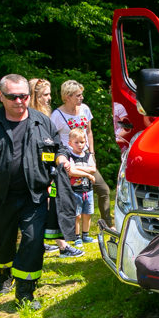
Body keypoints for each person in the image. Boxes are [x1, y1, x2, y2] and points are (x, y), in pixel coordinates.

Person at [0, 74, 70, 309]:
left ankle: (25, 292)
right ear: (1, 96)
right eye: (13, 97)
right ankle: (3, 276)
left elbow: (59, 147)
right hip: (0, 197)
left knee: (33, 241)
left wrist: (62, 160)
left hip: (35, 196)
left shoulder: (42, 122)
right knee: (2, 244)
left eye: (24, 96)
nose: (19, 101)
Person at [28, 78, 84, 259]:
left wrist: (61, 159)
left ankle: (57, 244)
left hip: (49, 167)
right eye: (45, 95)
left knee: (51, 203)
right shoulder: (27, 117)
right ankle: (59, 245)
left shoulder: (46, 115)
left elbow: (54, 142)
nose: (49, 98)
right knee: (41, 205)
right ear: (34, 97)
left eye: (49, 93)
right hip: (34, 171)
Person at [50, 80, 112, 228]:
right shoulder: (57, 115)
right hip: (70, 160)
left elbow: (89, 132)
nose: (81, 98)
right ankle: (71, 230)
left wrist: (92, 153)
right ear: (68, 96)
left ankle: (107, 224)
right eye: (78, 95)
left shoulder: (84, 109)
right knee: (72, 196)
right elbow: (52, 139)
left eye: (81, 95)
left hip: (85, 157)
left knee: (103, 189)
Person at [67, 127, 98, 245]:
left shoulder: (88, 156)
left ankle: (86, 235)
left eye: (82, 142)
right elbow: (71, 172)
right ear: (70, 143)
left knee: (87, 213)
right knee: (77, 215)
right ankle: (76, 237)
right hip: (75, 191)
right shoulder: (69, 156)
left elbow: (93, 168)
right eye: (76, 142)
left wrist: (77, 168)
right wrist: (88, 175)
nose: (80, 145)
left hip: (88, 190)